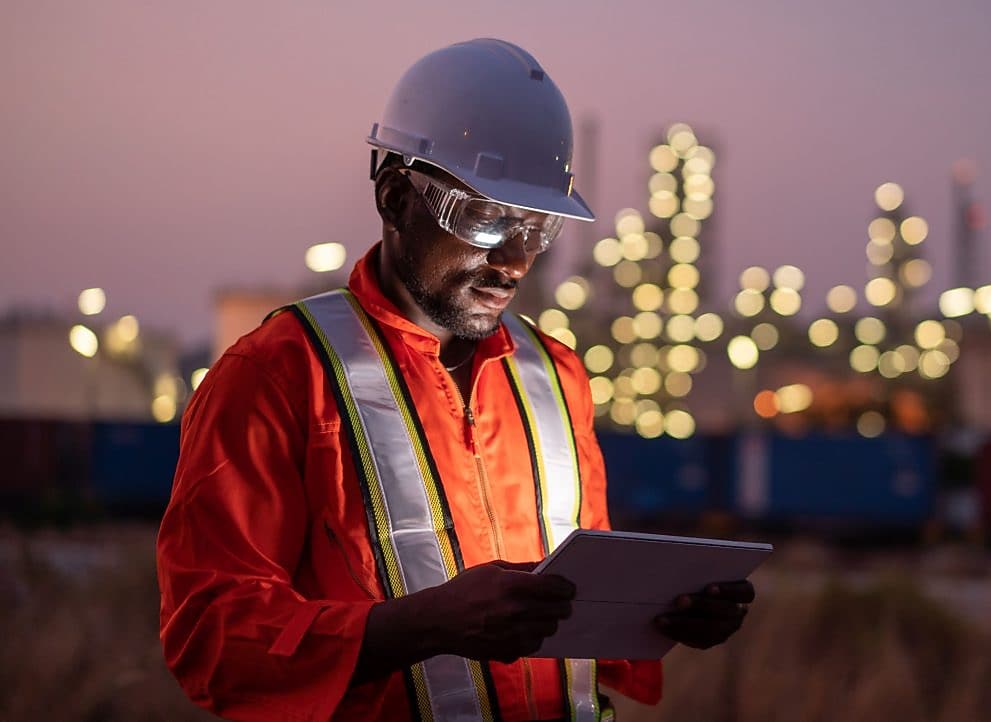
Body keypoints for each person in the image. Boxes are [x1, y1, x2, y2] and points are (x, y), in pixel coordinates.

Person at [156, 38, 754, 722]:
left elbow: (581, 626)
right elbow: (211, 641)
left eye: (536, 228)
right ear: (395, 196)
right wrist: (420, 627)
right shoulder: (278, 377)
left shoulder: (555, 379)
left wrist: (664, 615)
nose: (515, 261)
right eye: (486, 218)